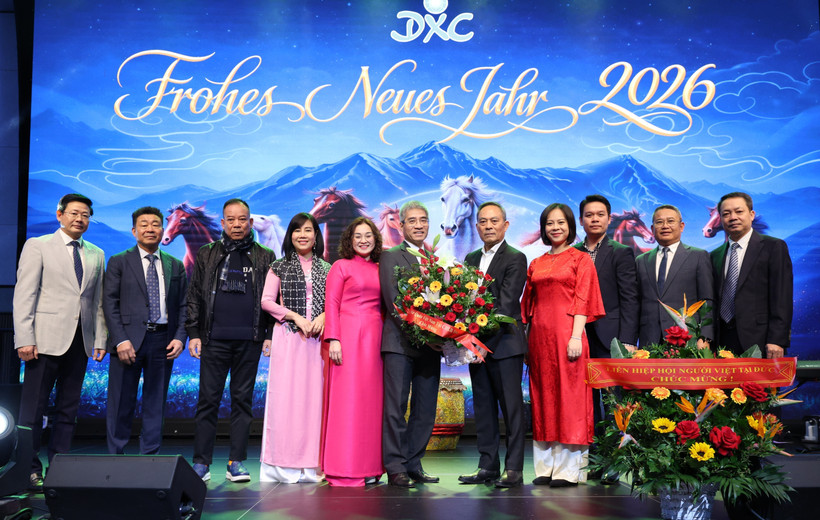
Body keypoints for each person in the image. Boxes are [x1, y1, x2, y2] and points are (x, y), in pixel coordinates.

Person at [13, 193, 107, 491]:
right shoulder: (38, 246)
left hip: (80, 342)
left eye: (86, 215)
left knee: (69, 409)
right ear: (60, 215)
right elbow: (25, 294)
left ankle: (60, 468)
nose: (80, 219)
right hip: (43, 342)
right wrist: (24, 338)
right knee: (33, 411)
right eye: (75, 213)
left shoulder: (96, 253)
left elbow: (99, 302)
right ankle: (27, 469)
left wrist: (100, 339)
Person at [187, 198, 276, 483]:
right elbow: (195, 296)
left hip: (249, 340)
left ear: (250, 222)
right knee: (208, 401)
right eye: (231, 219)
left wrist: (269, 335)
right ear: (223, 223)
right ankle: (201, 463)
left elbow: (272, 299)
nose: (237, 224)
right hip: (214, 339)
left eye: (242, 219)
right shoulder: (207, 253)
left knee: (242, 402)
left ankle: (236, 462)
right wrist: (194, 333)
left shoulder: (265, 255)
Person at [522, 203, 604, 487]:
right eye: (549, 223)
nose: (555, 228)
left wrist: (575, 336)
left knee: (570, 400)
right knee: (543, 398)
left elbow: (583, 299)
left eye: (560, 222)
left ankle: (570, 470)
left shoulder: (581, 259)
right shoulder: (537, 263)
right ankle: (545, 467)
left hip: (568, 335)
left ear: (570, 225)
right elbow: (528, 307)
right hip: (539, 338)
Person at [103, 206, 187, 455]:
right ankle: (115, 456)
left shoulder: (175, 265)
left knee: (155, 402)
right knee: (121, 402)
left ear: (162, 229)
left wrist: (180, 337)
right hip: (128, 342)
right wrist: (120, 340)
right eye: (144, 224)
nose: (150, 228)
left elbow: (183, 305)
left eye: (155, 224)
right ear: (134, 230)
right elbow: (110, 303)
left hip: (162, 340)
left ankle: (149, 456)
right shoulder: (119, 261)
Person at [458, 202, 527, 488]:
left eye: (494, 221)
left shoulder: (515, 257)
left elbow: (507, 305)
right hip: (477, 347)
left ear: (505, 225)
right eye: (483, 221)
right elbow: (464, 301)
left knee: (511, 409)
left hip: (505, 345)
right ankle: (487, 466)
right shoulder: (471, 258)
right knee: (484, 407)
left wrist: (486, 343)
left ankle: (514, 469)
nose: (488, 226)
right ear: (477, 227)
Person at [260, 212, 330, 483]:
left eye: (308, 230)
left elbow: (335, 303)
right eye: (297, 230)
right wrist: (295, 316)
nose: (303, 234)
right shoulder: (279, 266)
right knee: (286, 401)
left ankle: (313, 465)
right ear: (290, 235)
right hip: (289, 339)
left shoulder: (329, 268)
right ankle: (283, 464)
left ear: (316, 236)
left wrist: (323, 316)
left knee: (315, 401)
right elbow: (267, 301)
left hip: (318, 343)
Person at [573, 194, 639, 484]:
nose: (595, 219)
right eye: (589, 215)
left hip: (610, 337)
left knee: (614, 402)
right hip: (578, 336)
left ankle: (616, 460)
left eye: (600, 214)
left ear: (609, 219)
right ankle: (594, 459)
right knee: (586, 402)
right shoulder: (573, 253)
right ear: (581, 220)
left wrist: (626, 338)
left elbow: (630, 298)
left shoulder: (621, 252)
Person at [379, 201, 442, 488]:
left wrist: (441, 333)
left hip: (431, 346)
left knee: (425, 407)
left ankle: (414, 462)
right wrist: (424, 332)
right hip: (400, 343)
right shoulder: (391, 256)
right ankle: (395, 466)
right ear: (401, 225)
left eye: (423, 220)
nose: (418, 225)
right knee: (396, 406)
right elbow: (394, 303)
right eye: (412, 220)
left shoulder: (435, 259)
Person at [321, 217, 385, 487]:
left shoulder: (382, 268)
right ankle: (343, 467)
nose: (363, 240)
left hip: (375, 338)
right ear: (349, 239)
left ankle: (370, 465)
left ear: (375, 238)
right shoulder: (340, 266)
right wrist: (333, 338)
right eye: (357, 235)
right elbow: (331, 304)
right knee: (347, 402)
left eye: (368, 235)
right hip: (346, 337)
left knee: (371, 403)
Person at [710, 192, 792, 358]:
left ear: (751, 214)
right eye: (726, 214)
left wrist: (777, 339)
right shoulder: (714, 255)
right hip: (721, 343)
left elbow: (782, 297)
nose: (733, 217)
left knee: (758, 385)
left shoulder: (773, 247)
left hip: (760, 342)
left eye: (739, 212)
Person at [636, 205, 714, 347]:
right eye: (659, 222)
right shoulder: (641, 260)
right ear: (652, 229)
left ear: (682, 226)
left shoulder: (698, 256)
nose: (665, 226)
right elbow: (635, 303)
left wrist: (705, 336)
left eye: (671, 221)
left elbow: (707, 301)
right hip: (649, 339)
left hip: (687, 338)